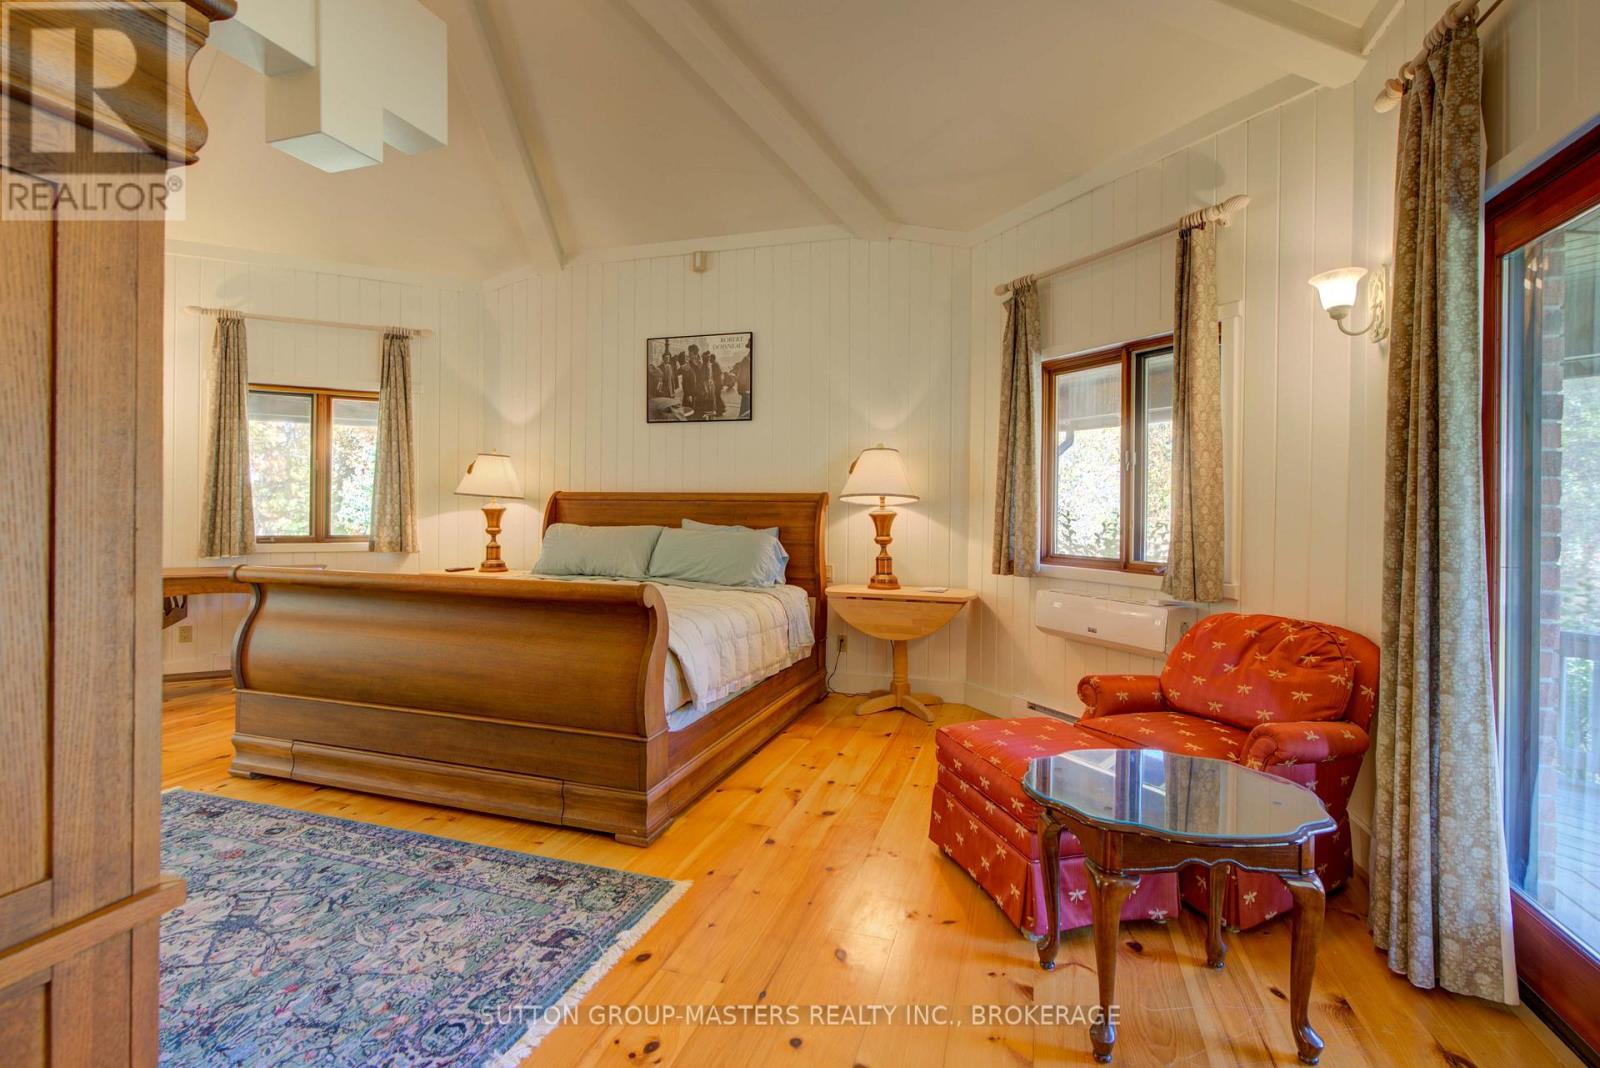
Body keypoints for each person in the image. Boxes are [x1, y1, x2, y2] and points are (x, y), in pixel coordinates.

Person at [733, 351, 752, 419]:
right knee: (745, 413)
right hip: (747, 390)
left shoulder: (746, 361)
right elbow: (742, 378)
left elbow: (742, 378)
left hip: (747, 390)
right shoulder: (746, 361)